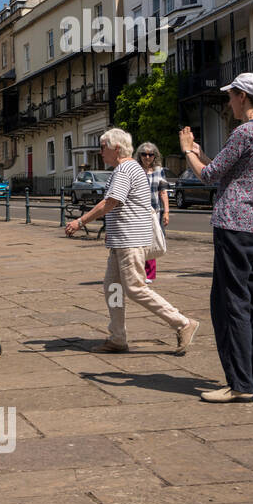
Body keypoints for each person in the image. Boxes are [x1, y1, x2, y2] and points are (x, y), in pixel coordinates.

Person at [179, 72, 253, 402]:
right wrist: (201, 152)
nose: (228, 102)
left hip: (234, 226)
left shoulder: (245, 131)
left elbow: (209, 177)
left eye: (231, 96)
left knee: (230, 305)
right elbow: (232, 171)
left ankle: (240, 384)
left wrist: (187, 151)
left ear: (242, 96)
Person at [65, 128, 199, 355]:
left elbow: (110, 202)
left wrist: (81, 221)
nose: (100, 152)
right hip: (122, 240)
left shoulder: (125, 169)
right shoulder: (124, 168)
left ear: (116, 148)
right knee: (113, 287)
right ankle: (118, 337)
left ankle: (182, 323)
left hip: (130, 240)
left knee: (136, 288)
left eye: (103, 147)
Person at [137, 142, 170, 283]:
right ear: (140, 155)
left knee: (151, 241)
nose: (147, 157)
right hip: (137, 211)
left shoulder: (159, 170)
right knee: (138, 242)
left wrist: (166, 212)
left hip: (153, 211)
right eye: (144, 154)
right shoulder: (135, 169)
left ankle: (149, 274)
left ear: (154, 156)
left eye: (150, 154)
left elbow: (163, 192)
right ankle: (138, 272)